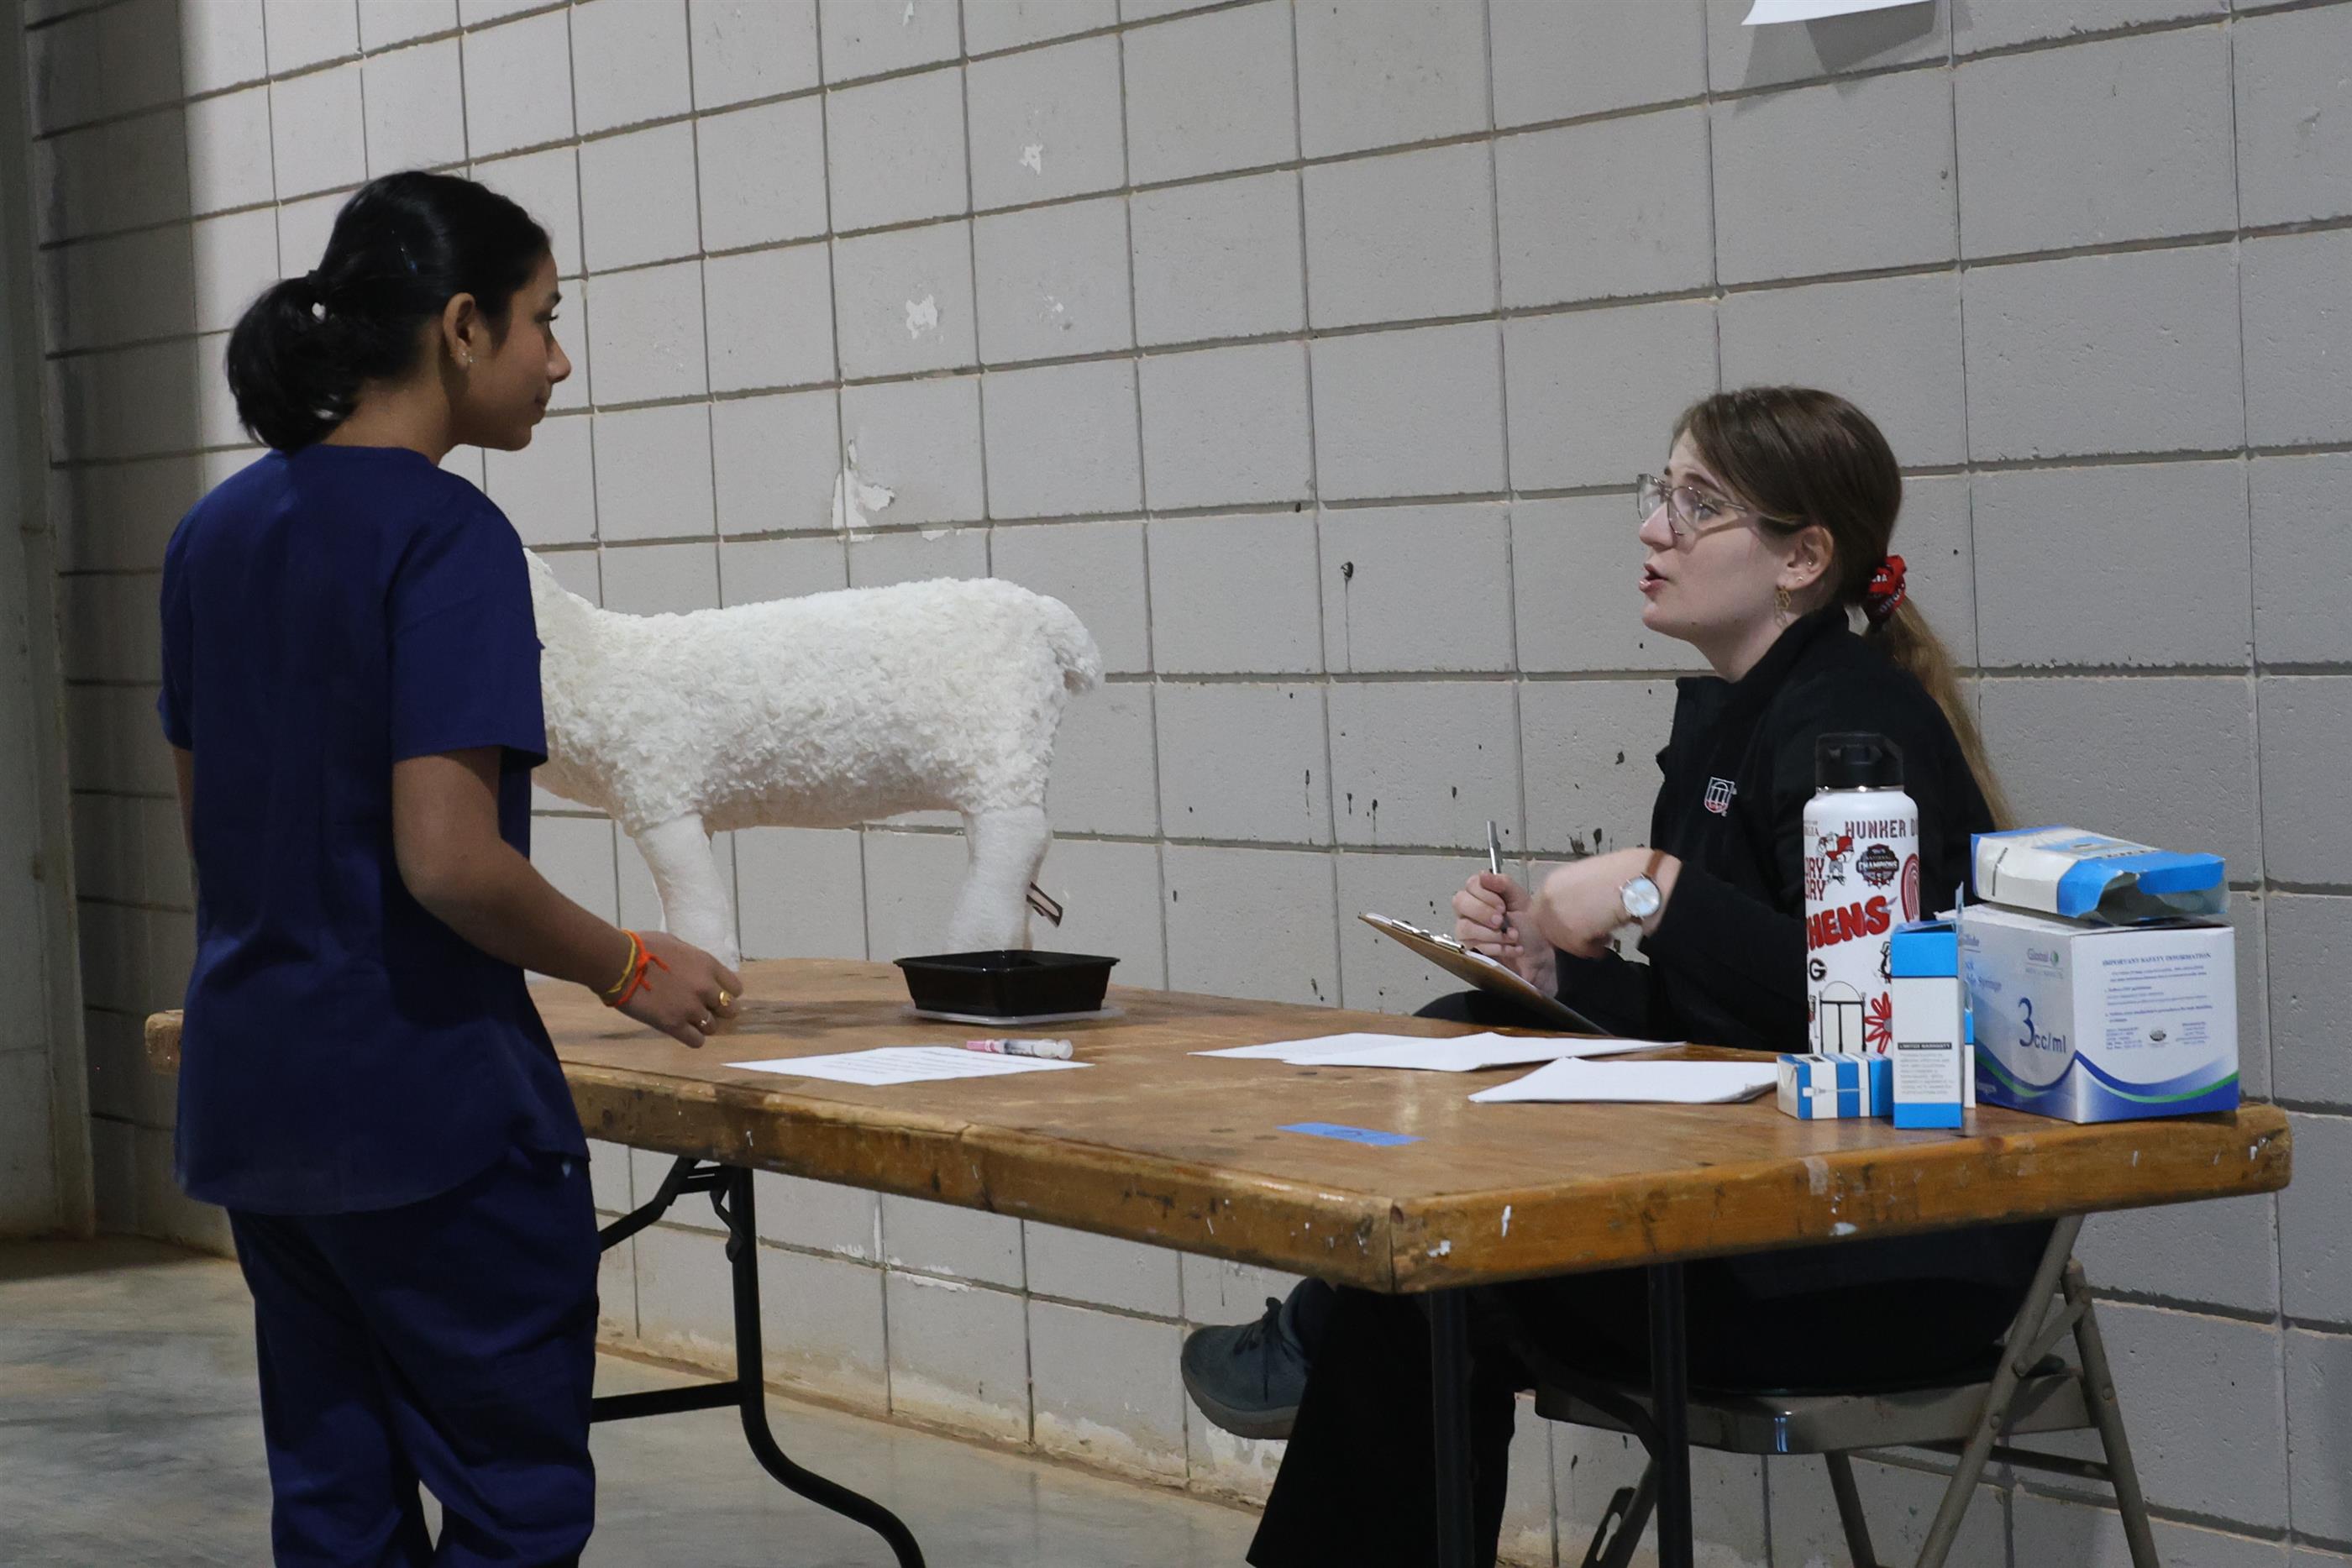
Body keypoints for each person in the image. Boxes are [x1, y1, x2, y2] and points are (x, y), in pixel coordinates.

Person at [1181, 387, 2048, 1567]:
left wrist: (1656, 888)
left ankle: (1315, 1331)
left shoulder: (1853, 729)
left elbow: (1866, 1013)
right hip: (1773, 1198)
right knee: (1468, 1036)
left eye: (1699, 506)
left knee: (1435, 1264)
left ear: (1803, 558)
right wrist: (1552, 973)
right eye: (1660, 494)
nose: (1653, 528)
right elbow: (1718, 1028)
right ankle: (1321, 1325)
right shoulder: (1742, 719)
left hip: (1876, 1252)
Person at [160, 170, 742, 1566]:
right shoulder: (448, 534)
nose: (559, 359)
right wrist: (633, 965)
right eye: (544, 319)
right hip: (425, 1114)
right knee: (509, 1509)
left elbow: (213, 826)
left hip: (260, 1103)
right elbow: (449, 861)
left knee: (337, 1511)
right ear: (462, 326)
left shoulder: (211, 533)